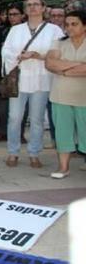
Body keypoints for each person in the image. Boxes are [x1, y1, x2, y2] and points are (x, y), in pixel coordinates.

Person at [1, 0, 65, 168]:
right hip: (20, 78)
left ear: (44, 8)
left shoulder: (54, 30)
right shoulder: (16, 30)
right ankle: (13, 152)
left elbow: (59, 53)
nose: (32, 8)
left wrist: (38, 56)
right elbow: (5, 51)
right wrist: (18, 56)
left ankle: (34, 152)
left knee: (37, 119)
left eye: (36, 4)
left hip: (42, 78)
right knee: (14, 117)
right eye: (29, 5)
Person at [45, 10, 86, 178]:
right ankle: (63, 167)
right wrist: (79, 66)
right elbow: (50, 63)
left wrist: (65, 69)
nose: (69, 27)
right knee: (63, 133)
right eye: (67, 24)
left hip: (83, 97)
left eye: (74, 24)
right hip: (61, 96)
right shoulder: (59, 43)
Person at [0, 3, 24, 142]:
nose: (12, 17)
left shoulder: (26, 31)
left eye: (15, 14)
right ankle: (3, 131)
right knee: (3, 105)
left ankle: (19, 134)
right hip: (4, 71)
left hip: (22, 70)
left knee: (21, 105)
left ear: (22, 15)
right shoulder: (1, 31)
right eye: (10, 14)